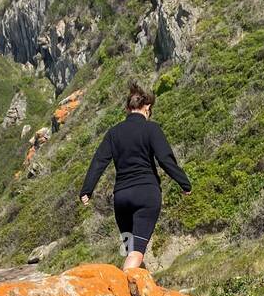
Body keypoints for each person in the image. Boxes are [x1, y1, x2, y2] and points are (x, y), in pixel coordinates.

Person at [79, 82, 191, 270]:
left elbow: (99, 161)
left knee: (131, 249)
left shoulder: (113, 133)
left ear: (127, 108)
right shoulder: (152, 129)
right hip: (146, 194)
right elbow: (165, 158)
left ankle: (137, 295)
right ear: (146, 107)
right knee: (136, 251)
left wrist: (87, 190)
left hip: (121, 199)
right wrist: (184, 183)